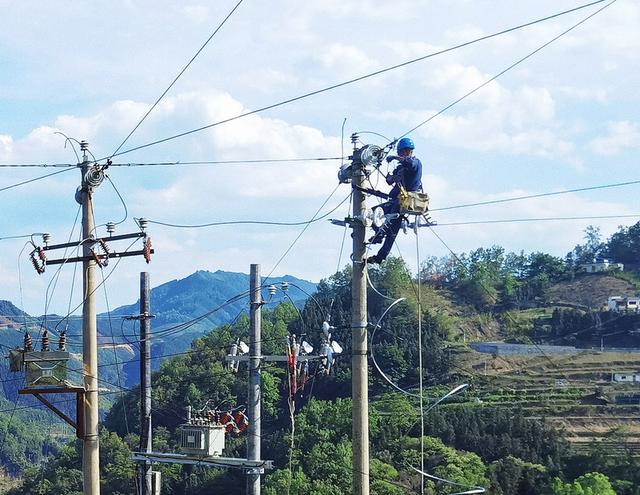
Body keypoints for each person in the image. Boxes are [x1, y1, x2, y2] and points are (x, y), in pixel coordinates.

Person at [367, 137, 422, 264]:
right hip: (397, 201)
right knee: (392, 231)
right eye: (400, 153)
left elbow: (410, 163)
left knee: (373, 213)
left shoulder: (416, 163)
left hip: (405, 200)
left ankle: (379, 235)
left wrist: (394, 158)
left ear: (409, 152)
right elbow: (390, 181)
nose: (401, 155)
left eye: (403, 152)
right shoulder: (400, 168)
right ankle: (380, 256)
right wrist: (389, 176)